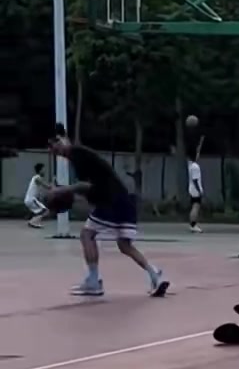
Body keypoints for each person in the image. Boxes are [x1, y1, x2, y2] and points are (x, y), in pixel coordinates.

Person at [49, 125, 168, 298]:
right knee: (125, 245)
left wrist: (62, 190)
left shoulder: (77, 153)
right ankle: (154, 274)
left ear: (64, 139)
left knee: (87, 235)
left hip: (110, 201)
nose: (54, 148)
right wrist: (67, 193)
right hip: (123, 200)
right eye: (51, 147)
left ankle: (93, 281)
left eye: (55, 143)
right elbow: (90, 188)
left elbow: (85, 186)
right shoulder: (80, 156)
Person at [24, 161, 51, 228]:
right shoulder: (37, 178)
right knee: (45, 211)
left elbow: (41, 189)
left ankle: (33, 221)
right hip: (31, 199)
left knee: (40, 211)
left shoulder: (35, 178)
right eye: (43, 170)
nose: (44, 172)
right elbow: (47, 186)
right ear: (40, 170)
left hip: (30, 199)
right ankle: (32, 222)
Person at [188, 154, 204, 233]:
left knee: (194, 206)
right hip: (195, 190)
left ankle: (192, 224)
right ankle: (193, 225)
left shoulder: (190, 165)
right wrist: (199, 190)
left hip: (191, 188)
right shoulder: (195, 166)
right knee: (196, 207)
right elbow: (195, 180)